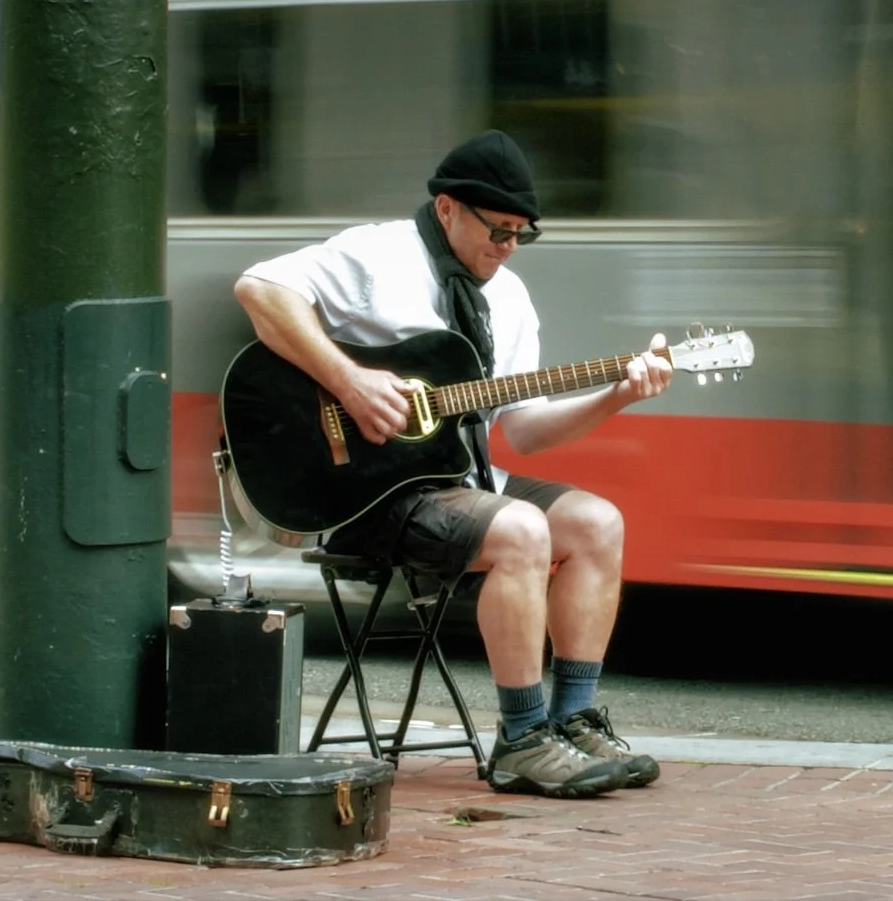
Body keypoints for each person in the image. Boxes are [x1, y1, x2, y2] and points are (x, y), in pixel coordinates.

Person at [233, 130, 672, 799]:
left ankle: (572, 719)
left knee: (599, 522)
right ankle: (522, 741)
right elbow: (258, 290)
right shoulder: (378, 254)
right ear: (447, 209)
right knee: (522, 528)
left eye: (521, 234)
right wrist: (350, 382)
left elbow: (523, 432)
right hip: (368, 496)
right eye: (496, 231)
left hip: (460, 483)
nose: (507, 248)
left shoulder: (509, 298)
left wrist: (616, 394)